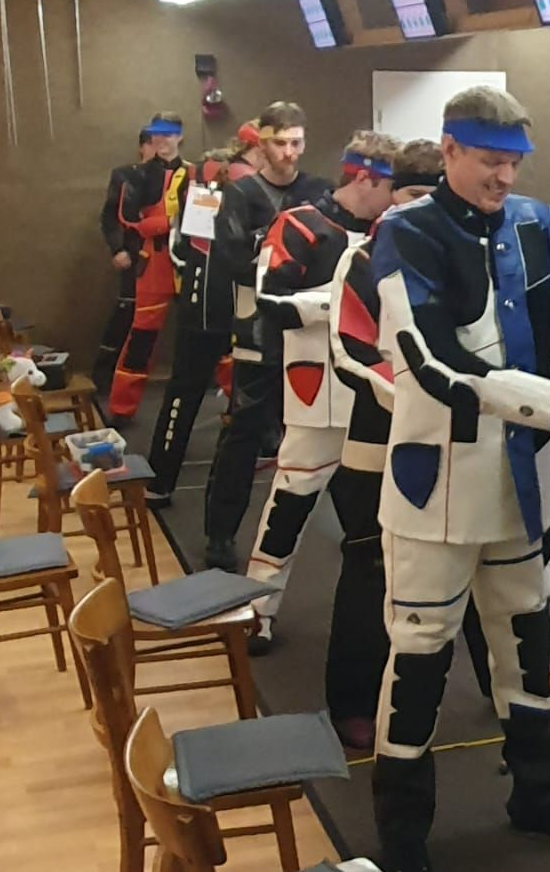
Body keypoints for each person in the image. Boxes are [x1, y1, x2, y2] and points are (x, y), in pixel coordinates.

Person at [364, 87, 550, 872]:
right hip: (437, 487)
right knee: (419, 655)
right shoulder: (404, 233)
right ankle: (401, 833)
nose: (505, 176)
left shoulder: (537, 222)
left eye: (514, 162)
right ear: (450, 150)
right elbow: (431, 362)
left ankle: (537, 793)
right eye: (491, 160)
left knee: (525, 641)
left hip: (521, 481)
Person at [324, 138, 494, 748]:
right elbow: (350, 351)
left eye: (432, 194)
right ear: (391, 195)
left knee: (484, 568)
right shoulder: (364, 258)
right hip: (380, 446)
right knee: (370, 572)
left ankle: (501, 688)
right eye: (412, 193)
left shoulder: (481, 253)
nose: (421, 206)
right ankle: (352, 702)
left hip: (466, 444)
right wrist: (423, 396)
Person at [242, 130, 399, 658]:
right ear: (366, 178)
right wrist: (340, 303)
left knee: (380, 522)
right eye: (392, 187)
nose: (396, 200)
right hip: (318, 396)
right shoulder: (300, 224)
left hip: (376, 397)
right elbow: (268, 301)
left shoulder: (392, 231)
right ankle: (257, 612)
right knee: (288, 506)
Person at [204, 101, 329, 571]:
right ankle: (219, 532)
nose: (289, 152)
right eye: (279, 143)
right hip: (256, 326)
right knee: (243, 431)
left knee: (324, 432)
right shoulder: (241, 193)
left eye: (296, 142)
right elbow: (232, 260)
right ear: (262, 143)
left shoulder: (317, 191)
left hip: (308, 327)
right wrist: (277, 244)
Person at [145, 120, 267, 508]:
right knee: (219, 394)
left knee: (192, 392)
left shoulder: (207, 175)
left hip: (207, 298)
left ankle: (160, 481)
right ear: (259, 148)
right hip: (227, 302)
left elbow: (187, 245)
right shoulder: (242, 183)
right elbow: (213, 248)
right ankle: (180, 485)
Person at [108, 112, 187, 422]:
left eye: (169, 133)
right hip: (154, 262)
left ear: (180, 136)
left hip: (190, 264)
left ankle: (232, 406)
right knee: (141, 339)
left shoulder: (195, 174)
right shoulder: (135, 175)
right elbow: (128, 219)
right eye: (158, 133)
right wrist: (169, 223)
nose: (163, 139)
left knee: (208, 336)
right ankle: (122, 408)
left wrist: (165, 222)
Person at [94, 130, 156, 393]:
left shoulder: (182, 175)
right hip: (136, 252)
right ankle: (105, 375)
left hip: (173, 254)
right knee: (127, 313)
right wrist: (117, 249)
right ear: (142, 147)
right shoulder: (125, 176)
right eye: (154, 143)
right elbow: (109, 217)